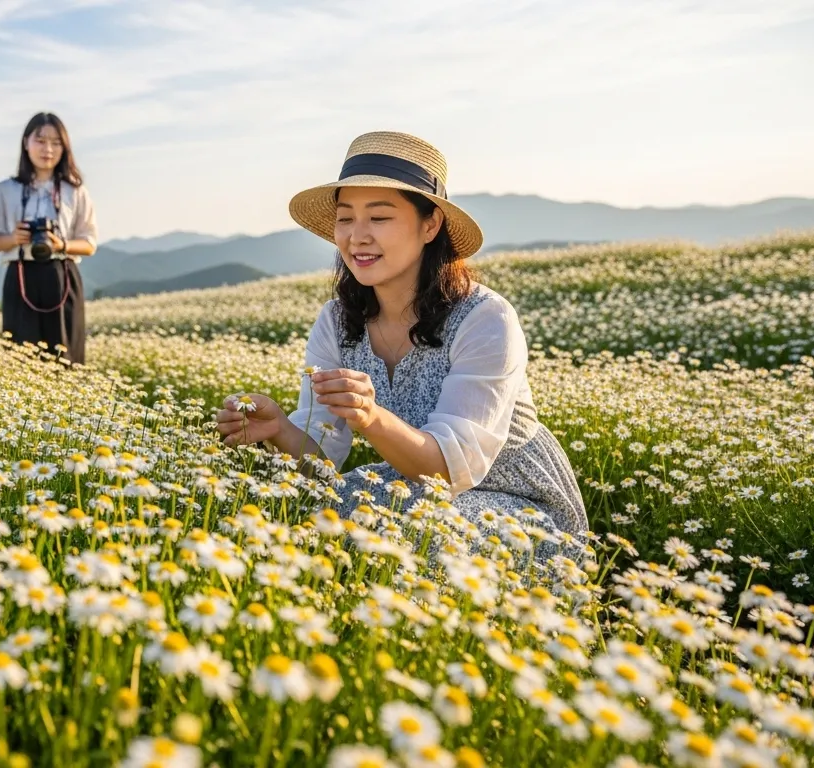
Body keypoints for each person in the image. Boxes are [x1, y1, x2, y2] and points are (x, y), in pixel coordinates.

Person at [215, 131, 587, 563]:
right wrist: (279, 429)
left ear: (430, 225)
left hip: (518, 506)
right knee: (309, 514)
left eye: (379, 217)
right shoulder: (336, 322)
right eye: (345, 219)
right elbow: (321, 460)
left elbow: (448, 471)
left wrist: (371, 417)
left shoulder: (485, 318)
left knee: (412, 533)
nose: (357, 237)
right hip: (413, 492)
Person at [0, 112, 98, 364]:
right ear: (26, 142)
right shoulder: (6, 190)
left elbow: (89, 243)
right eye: (41, 140)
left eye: (56, 143)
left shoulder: (75, 190)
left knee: (65, 358)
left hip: (62, 274)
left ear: (65, 148)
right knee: (21, 358)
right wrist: (15, 238)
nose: (48, 149)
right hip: (21, 273)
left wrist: (62, 244)